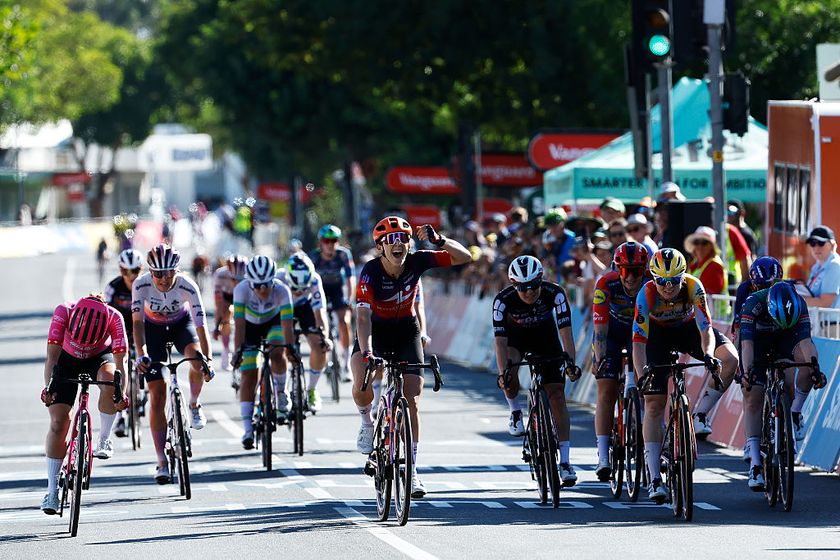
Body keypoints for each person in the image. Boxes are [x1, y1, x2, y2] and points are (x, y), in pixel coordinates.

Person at [352, 216, 471, 499]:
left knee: (413, 398)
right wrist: (367, 351)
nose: (398, 244)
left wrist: (439, 240)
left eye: (403, 239)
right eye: (390, 240)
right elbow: (363, 315)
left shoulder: (418, 261)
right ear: (380, 247)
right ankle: (367, 423)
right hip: (376, 331)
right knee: (361, 382)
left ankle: (413, 470)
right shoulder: (370, 272)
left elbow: (464, 256)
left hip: (406, 329)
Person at [632, 248, 739, 503]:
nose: (667, 287)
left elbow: (706, 329)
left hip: (688, 330)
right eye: (661, 282)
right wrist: (641, 375)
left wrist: (709, 354)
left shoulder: (694, 287)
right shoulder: (645, 294)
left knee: (730, 359)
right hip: (656, 338)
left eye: (673, 281)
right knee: (654, 404)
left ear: (683, 276)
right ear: (653, 279)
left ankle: (700, 413)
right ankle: (655, 478)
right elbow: (638, 342)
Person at [493, 255, 582, 486]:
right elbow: (500, 343)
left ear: (541, 280)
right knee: (510, 370)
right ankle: (515, 411)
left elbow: (566, 331)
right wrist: (503, 374)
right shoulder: (503, 300)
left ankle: (564, 461)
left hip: (546, 339)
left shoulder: (556, 293)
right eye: (522, 287)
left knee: (557, 396)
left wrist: (571, 362)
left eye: (533, 285)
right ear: (514, 285)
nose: (529, 291)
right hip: (516, 341)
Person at [132, 244, 215, 484]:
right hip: (153, 330)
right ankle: (161, 462)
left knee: (197, 359)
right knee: (157, 395)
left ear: (177, 270)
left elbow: (201, 327)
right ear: (150, 272)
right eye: (158, 273)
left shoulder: (188, 285)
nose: (164, 278)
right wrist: (141, 353)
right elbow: (137, 324)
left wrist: (208, 359)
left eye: (170, 272)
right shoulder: (141, 284)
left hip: (181, 326)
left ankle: (195, 403)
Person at [40, 295, 129, 514]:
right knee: (59, 423)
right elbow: (51, 359)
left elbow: (121, 364)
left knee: (111, 383)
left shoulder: (114, 317)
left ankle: (105, 439)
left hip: (99, 358)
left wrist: (121, 395)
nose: (83, 345)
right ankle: (52, 491)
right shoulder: (63, 312)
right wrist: (48, 389)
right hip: (66, 360)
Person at [738, 282, 827, 490]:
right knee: (753, 395)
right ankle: (756, 464)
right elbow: (747, 346)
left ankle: (793, 414)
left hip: (787, 336)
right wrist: (747, 373)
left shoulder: (799, 304)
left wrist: (816, 370)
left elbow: (806, 344)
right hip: (757, 340)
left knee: (805, 366)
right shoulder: (753, 304)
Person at [591, 242, 649, 481]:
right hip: (612, 335)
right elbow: (600, 330)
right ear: (617, 269)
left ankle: (650, 446)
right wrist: (599, 357)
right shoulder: (606, 284)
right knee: (606, 391)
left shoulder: (651, 284)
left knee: (649, 389)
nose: (631, 278)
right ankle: (603, 456)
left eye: (637, 271)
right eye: (626, 271)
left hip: (642, 335)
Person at [230, 256, 297, 449]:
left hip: (273, 322)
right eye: (257, 286)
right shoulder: (241, 290)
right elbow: (240, 326)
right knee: (248, 373)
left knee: (277, 351)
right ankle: (247, 430)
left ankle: (282, 393)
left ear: (273, 280)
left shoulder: (282, 290)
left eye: (266, 284)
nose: (262, 289)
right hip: (250, 327)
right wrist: (238, 352)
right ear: (249, 282)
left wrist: (290, 348)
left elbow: (287, 326)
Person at [276, 251, 333, 412]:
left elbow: (320, 313)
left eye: (303, 288)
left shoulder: (314, 279)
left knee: (320, 345)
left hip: (306, 308)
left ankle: (312, 390)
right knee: (283, 347)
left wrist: (325, 338)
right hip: (284, 308)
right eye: (295, 288)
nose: (299, 291)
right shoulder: (278, 279)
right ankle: (281, 391)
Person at [105, 249, 144, 438]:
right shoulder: (113, 287)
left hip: (143, 328)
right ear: (121, 271)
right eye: (126, 272)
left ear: (141, 269)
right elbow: (106, 316)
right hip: (121, 330)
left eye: (135, 270)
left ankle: (144, 391)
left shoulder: (147, 285)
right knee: (120, 370)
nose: (131, 276)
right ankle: (120, 416)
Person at [311, 225, 356, 381]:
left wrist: (350, 298)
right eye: (326, 241)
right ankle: (324, 354)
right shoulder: (314, 257)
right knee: (319, 322)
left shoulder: (343, 254)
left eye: (334, 240)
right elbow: (309, 282)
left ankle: (345, 363)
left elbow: (351, 277)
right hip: (321, 290)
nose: (330, 244)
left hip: (337, 290)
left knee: (344, 321)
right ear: (321, 243)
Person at [731, 256, 783, 343]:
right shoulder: (744, 289)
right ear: (753, 284)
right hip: (753, 328)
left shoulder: (785, 287)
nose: (766, 292)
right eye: (762, 287)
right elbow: (737, 323)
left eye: (771, 287)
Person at [213, 255, 249, 371]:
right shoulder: (220, 274)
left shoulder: (249, 273)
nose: (237, 282)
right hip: (227, 295)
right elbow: (218, 300)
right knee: (225, 313)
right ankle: (226, 350)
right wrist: (217, 324)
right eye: (234, 279)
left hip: (243, 294)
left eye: (240, 279)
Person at [804, 226, 840, 309]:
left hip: (831, 321)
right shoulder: (816, 267)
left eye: (821, 243)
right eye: (812, 243)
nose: (816, 248)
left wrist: (796, 300)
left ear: (832, 245)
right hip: (819, 320)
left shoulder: (834, 265)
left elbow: (825, 303)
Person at [684, 226, 727, 295]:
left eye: (704, 242)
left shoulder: (714, 265)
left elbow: (711, 293)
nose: (700, 246)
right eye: (696, 242)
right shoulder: (694, 264)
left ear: (712, 246)